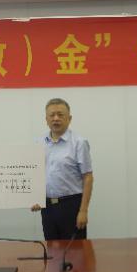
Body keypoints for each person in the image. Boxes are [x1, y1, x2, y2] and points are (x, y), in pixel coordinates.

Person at [31, 98, 93, 240]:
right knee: (51, 249)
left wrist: (83, 211)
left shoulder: (79, 143)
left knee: (75, 251)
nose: (56, 118)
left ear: (69, 118)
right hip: (47, 207)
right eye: (52, 115)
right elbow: (35, 174)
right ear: (46, 119)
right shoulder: (39, 143)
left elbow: (88, 177)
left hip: (71, 206)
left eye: (60, 115)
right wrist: (34, 198)